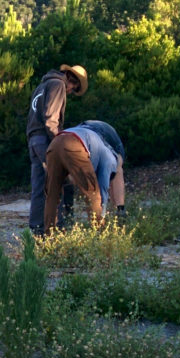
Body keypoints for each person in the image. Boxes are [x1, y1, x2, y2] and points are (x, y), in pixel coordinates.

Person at [25, 64, 88, 233]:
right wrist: (60, 142)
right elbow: (50, 119)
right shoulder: (58, 85)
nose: (72, 90)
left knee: (39, 185)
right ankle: (60, 225)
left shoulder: (42, 85)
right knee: (60, 181)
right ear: (70, 79)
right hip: (46, 140)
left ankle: (37, 226)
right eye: (74, 86)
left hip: (33, 139)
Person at [43, 124, 118, 232]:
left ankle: (49, 237)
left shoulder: (97, 144)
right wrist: (103, 211)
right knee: (93, 193)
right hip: (74, 145)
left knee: (52, 194)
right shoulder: (110, 159)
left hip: (54, 145)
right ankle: (99, 233)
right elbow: (103, 188)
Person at [59, 120, 127, 222]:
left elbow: (102, 187)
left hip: (103, 133)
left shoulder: (106, 160)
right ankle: (117, 212)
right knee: (92, 185)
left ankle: (119, 211)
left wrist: (101, 212)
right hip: (82, 133)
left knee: (117, 169)